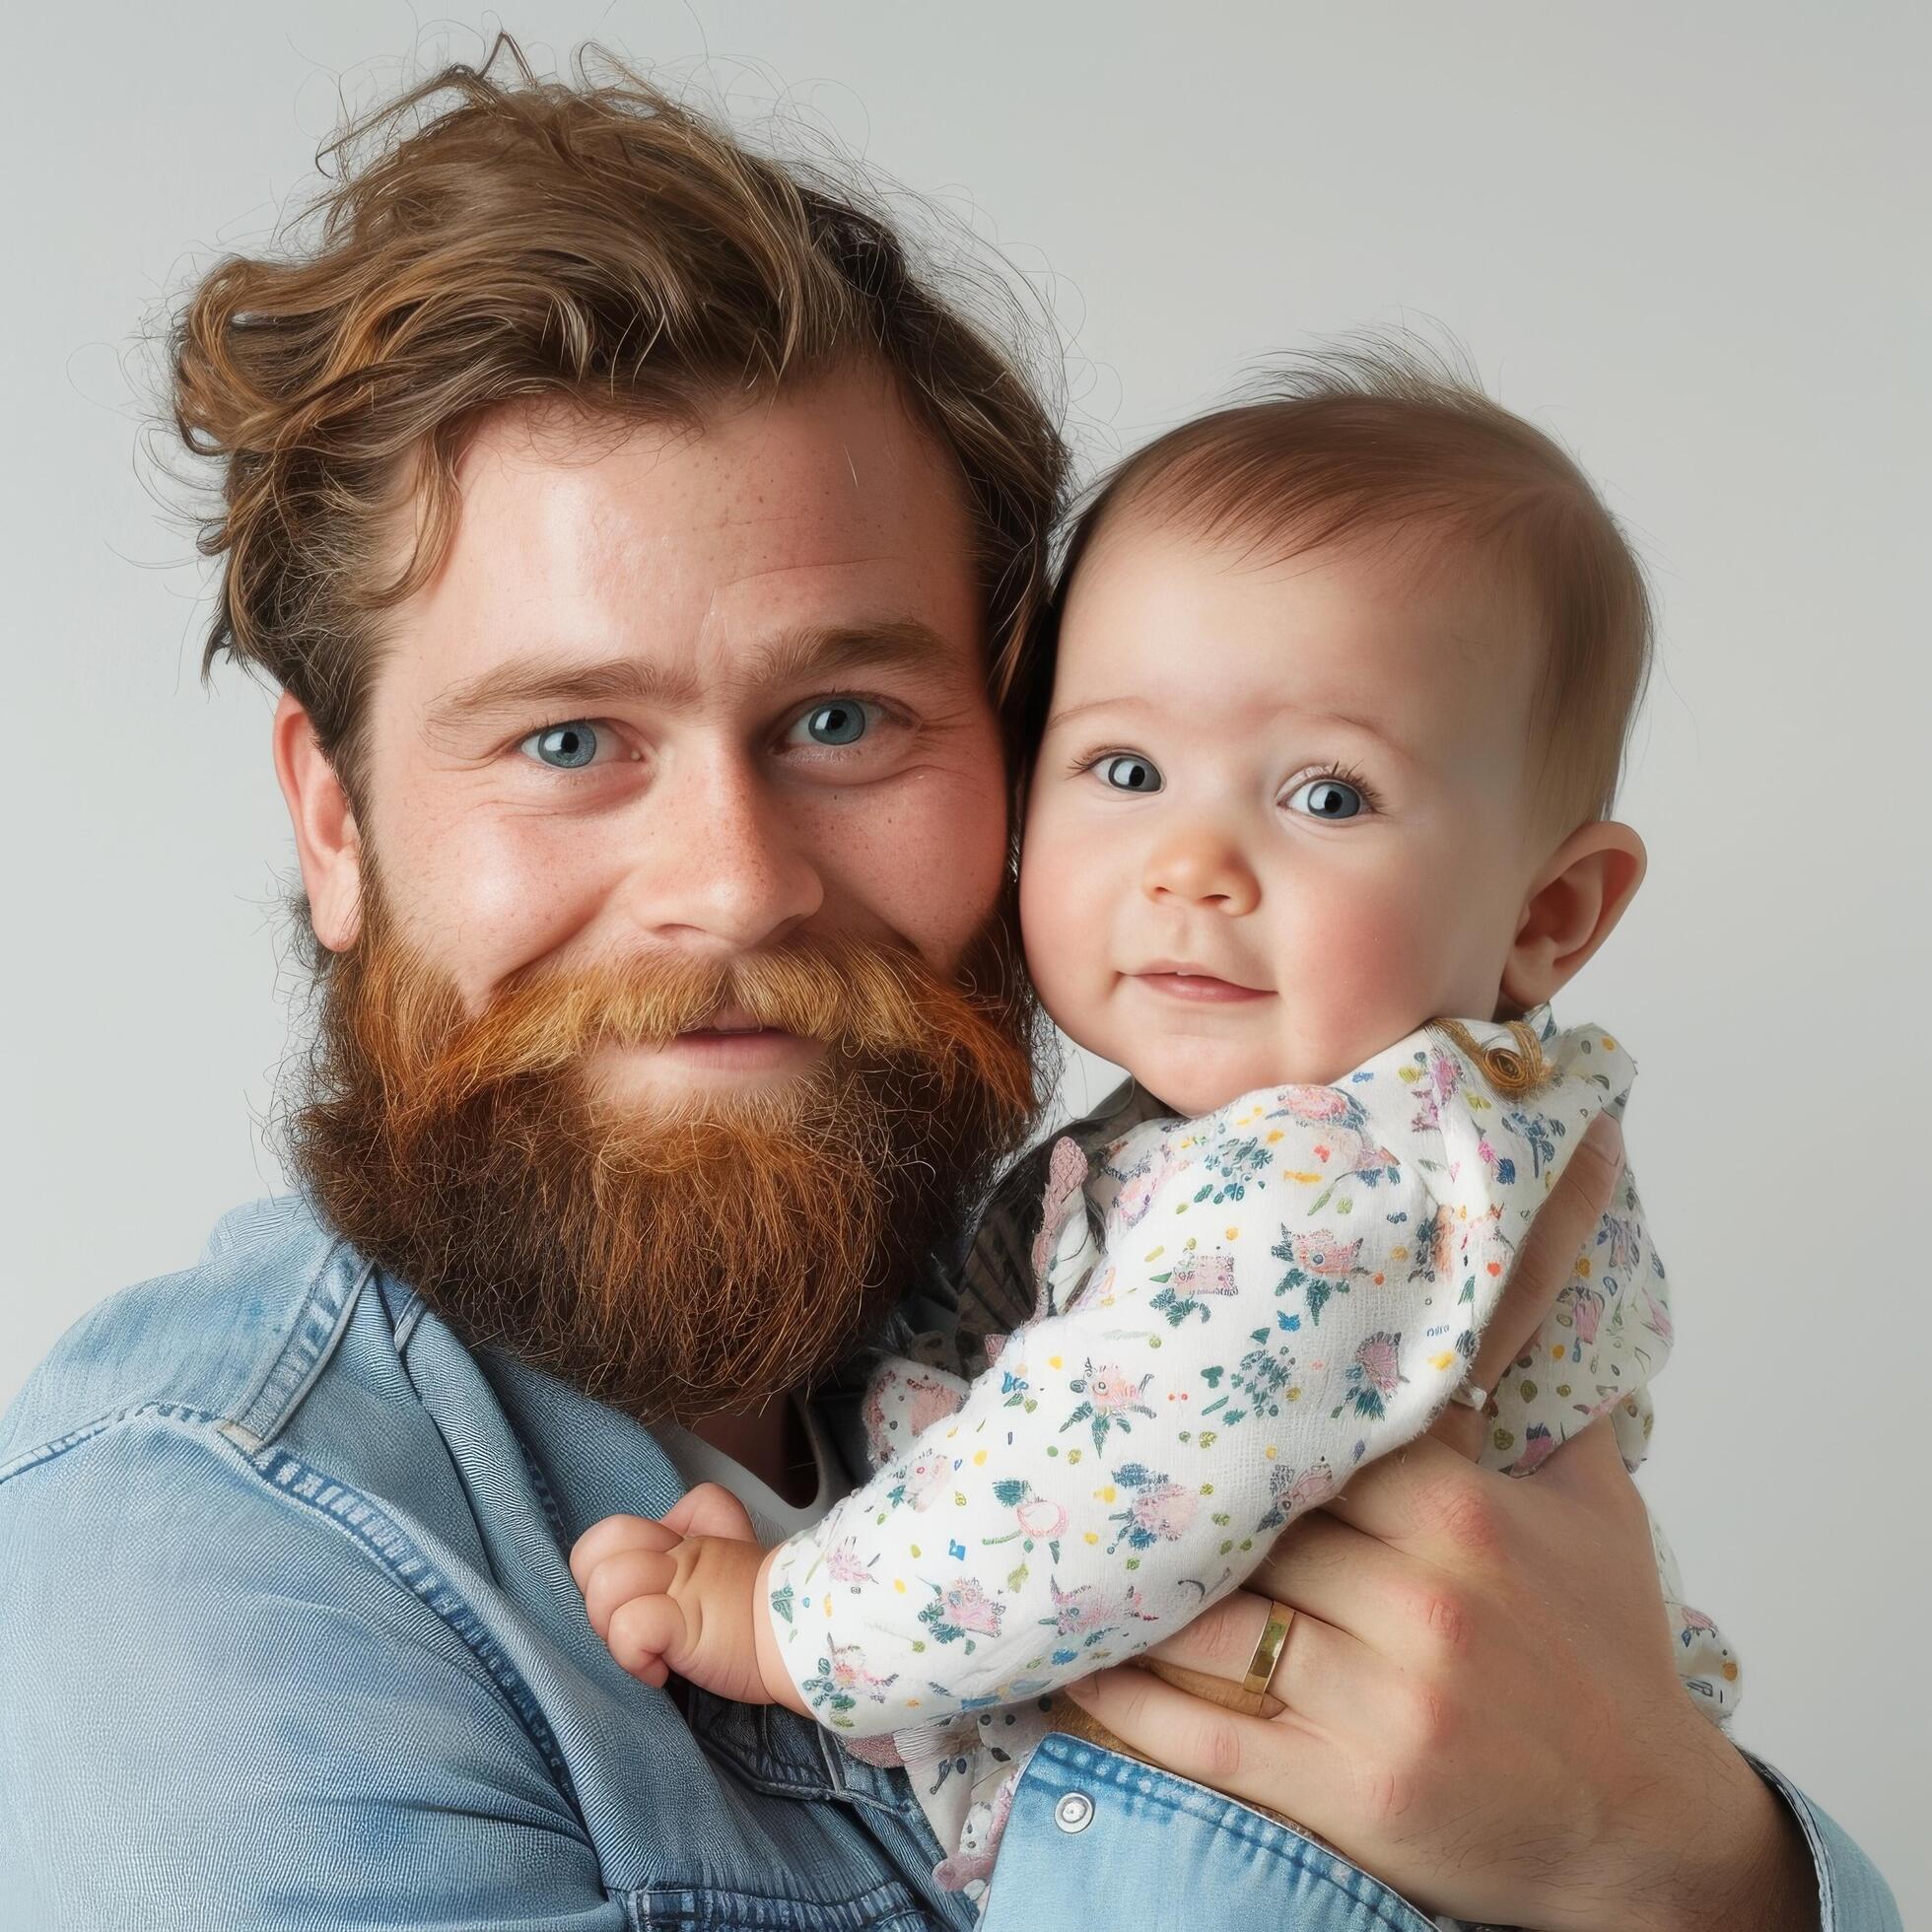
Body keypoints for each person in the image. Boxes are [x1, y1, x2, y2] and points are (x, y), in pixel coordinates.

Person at [0, 40, 1898, 1932]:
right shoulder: (202, 1566)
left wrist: (1689, 1864)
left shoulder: (1057, 1270)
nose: (733, 880)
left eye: (842, 719)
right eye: (571, 740)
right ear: (335, 826)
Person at [566, 361, 1738, 1908]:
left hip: (1278, 1858)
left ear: (1548, 912)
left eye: (1327, 795)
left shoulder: (1354, 1175)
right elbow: (991, 1356)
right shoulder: (1181, 1143)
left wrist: (783, 1618)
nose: (1193, 866)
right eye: (1126, 771)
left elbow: (1107, 1485)